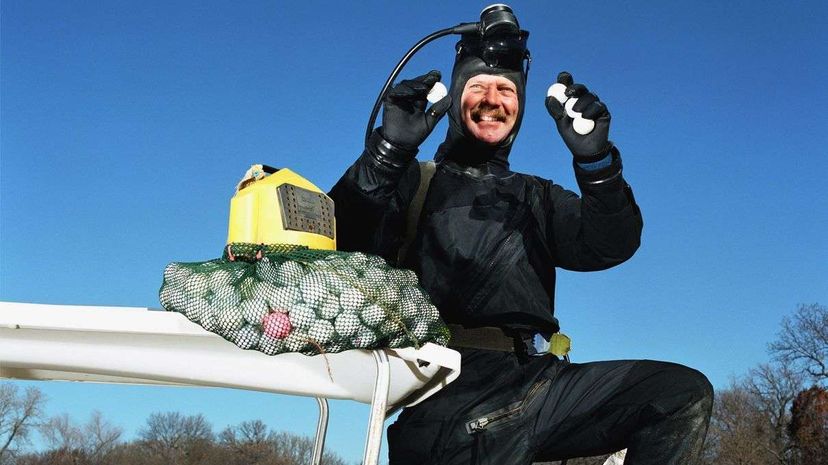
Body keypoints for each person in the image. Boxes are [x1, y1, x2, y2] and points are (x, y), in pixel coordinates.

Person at [328, 22, 713, 465]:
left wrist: (597, 165)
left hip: (537, 384)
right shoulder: (415, 181)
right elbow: (341, 243)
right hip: (448, 397)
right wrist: (387, 152)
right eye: (478, 87)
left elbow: (611, 244)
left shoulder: (539, 195)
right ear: (453, 98)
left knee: (677, 395)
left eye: (507, 90)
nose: (493, 101)